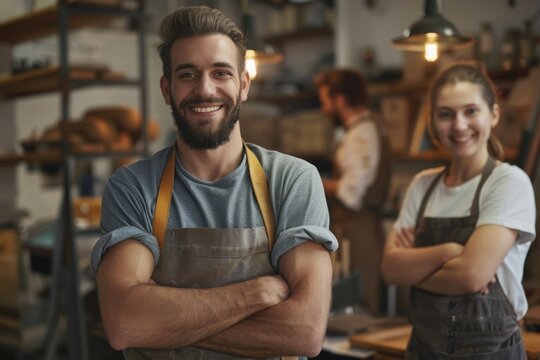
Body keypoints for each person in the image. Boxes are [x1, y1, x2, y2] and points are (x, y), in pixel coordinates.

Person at [91, 6, 338, 359]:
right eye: (187, 74)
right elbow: (125, 322)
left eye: (221, 72)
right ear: (167, 89)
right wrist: (254, 294)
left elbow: (304, 331)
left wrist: (165, 324)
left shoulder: (292, 180)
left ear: (244, 84)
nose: (204, 89)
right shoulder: (133, 187)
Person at [381, 62, 536, 359]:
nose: (459, 125)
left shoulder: (508, 182)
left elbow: (472, 276)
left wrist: (413, 269)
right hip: (423, 350)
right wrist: (450, 252)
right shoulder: (422, 185)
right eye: (446, 114)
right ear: (433, 122)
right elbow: (389, 269)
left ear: (494, 114)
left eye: (471, 111)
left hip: (491, 353)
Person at [315, 69, 391, 315]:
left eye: (325, 101)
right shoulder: (363, 129)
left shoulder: (361, 135)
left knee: (360, 304)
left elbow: (351, 191)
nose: (324, 109)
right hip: (356, 228)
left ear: (340, 99)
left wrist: (312, 180)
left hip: (360, 232)